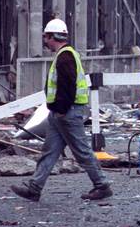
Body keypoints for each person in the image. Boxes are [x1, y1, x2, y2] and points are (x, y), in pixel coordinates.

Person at [11, 19, 113, 202]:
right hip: (62, 114)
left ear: (52, 37)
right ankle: (34, 188)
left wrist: (61, 110)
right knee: (49, 152)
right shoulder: (66, 55)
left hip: (67, 113)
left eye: (47, 37)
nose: (46, 41)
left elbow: (68, 86)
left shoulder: (65, 57)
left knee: (82, 151)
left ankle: (102, 186)